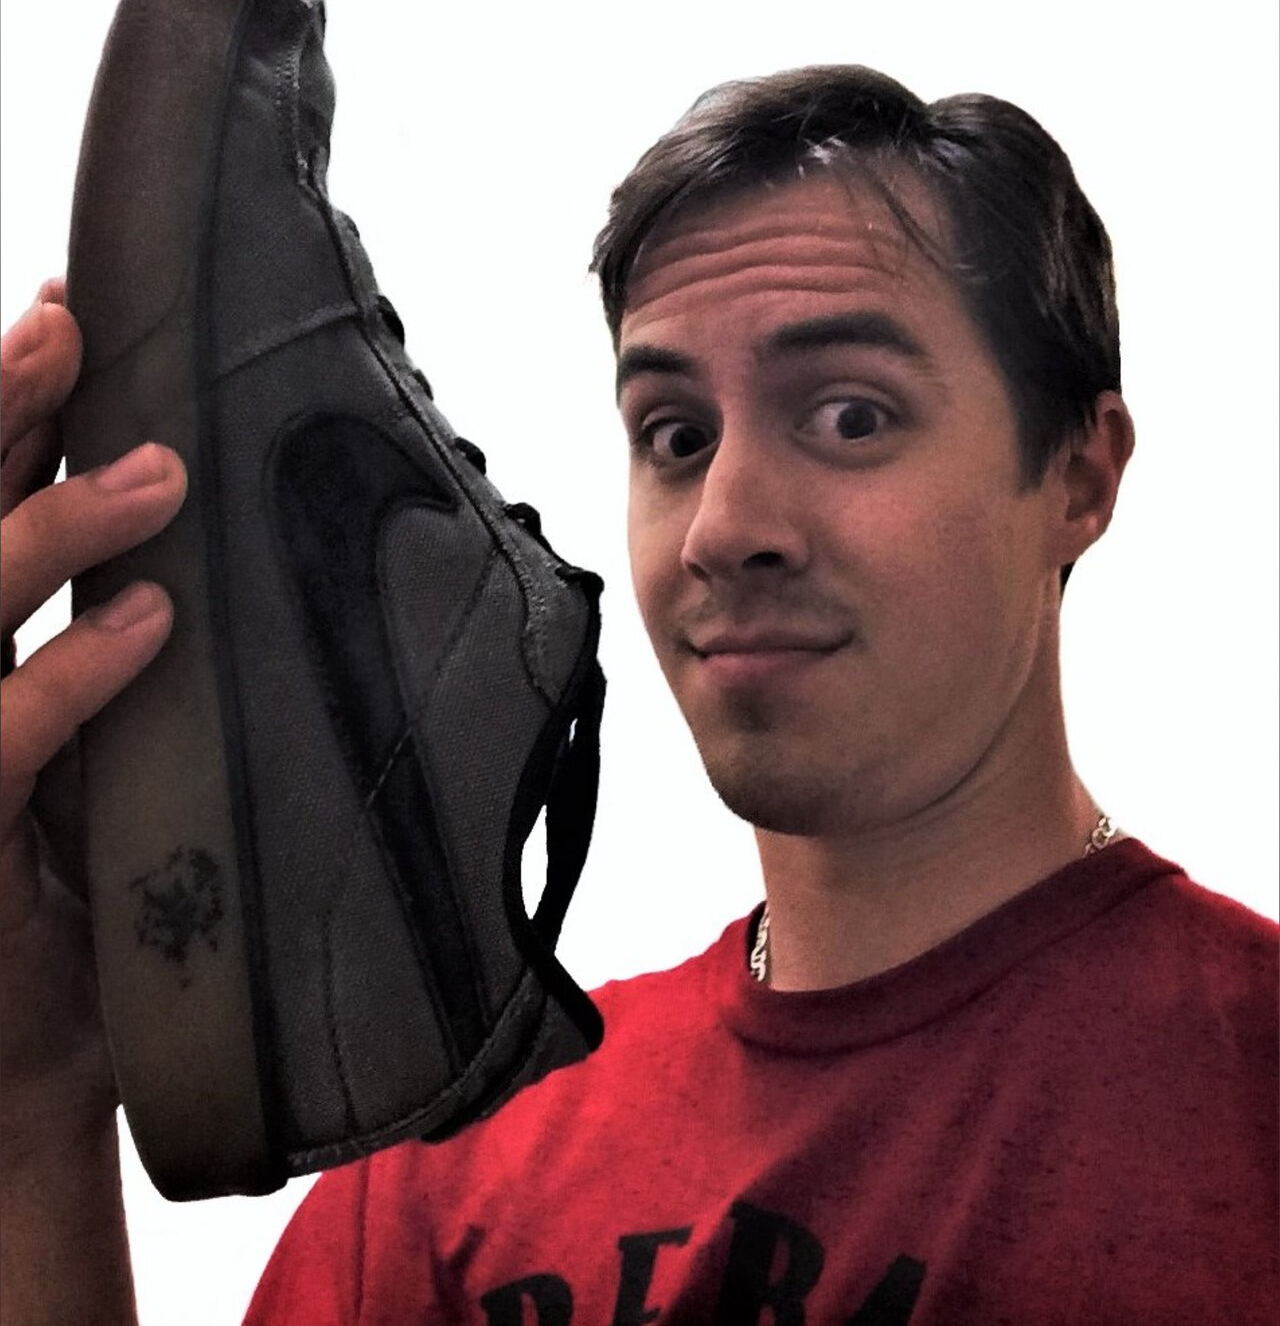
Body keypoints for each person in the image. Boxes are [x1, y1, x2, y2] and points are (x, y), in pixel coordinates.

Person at [1, 65, 1275, 1324]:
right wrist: (33, 1111)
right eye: (675, 435)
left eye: (848, 416)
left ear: (1077, 478)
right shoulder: (450, 1171)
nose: (720, 528)